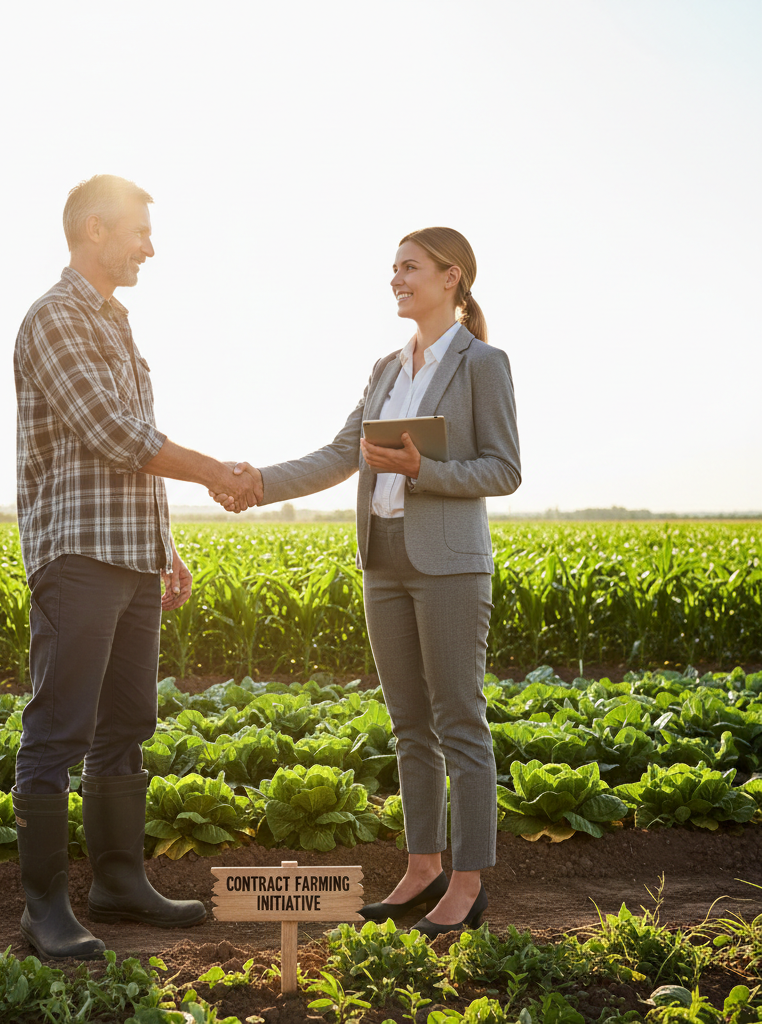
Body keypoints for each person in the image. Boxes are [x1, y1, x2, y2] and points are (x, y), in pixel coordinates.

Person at [215, 227, 520, 937]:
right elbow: (339, 453)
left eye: (409, 268)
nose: (395, 279)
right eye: (393, 268)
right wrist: (258, 484)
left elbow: (504, 470)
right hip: (382, 560)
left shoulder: (484, 363)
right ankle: (421, 867)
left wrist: (424, 470)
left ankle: (467, 882)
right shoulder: (387, 366)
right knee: (411, 726)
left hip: (449, 564)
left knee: (460, 724)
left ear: (453, 277)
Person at [12, 174, 259, 960]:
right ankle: (43, 908)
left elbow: (134, 452)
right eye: (139, 233)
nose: (150, 248)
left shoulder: (117, 324)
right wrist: (217, 469)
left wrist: (166, 547)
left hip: (130, 557)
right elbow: (113, 432)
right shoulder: (55, 319)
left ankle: (118, 880)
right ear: (93, 228)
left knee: (127, 727)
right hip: (78, 556)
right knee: (59, 731)